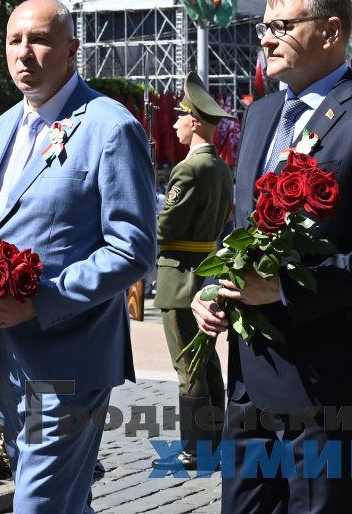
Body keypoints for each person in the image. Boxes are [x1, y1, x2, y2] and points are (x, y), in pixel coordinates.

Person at [191, 0, 352, 513]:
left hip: (328, 386)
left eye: (282, 26)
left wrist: (284, 289)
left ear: (330, 32)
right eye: (264, 27)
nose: (267, 40)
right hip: (251, 375)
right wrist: (213, 285)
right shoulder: (260, 114)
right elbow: (242, 227)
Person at [0, 0, 156, 513]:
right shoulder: (2, 128)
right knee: (57, 498)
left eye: (39, 40)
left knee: (38, 504)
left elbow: (132, 247)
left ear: (71, 51)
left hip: (71, 355)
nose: (25, 53)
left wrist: (43, 301)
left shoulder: (110, 126)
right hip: (4, 353)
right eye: (15, 41)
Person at [151, 71, 235, 470]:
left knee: (188, 365)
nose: (174, 122)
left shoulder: (189, 170)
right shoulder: (220, 167)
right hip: (205, 270)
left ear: (195, 121)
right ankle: (215, 439)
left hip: (179, 275)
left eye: (179, 116)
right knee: (207, 362)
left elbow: (166, 227)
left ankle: (197, 447)